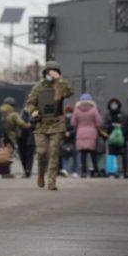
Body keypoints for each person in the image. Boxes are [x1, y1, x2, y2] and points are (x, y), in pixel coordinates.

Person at [24, 60, 73, 190]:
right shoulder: (38, 87)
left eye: (54, 71)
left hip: (57, 124)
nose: (51, 74)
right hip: (41, 124)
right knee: (42, 152)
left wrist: (60, 79)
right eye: (49, 71)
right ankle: (41, 174)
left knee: (53, 152)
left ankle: (51, 182)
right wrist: (33, 112)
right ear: (45, 72)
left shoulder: (60, 85)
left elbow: (69, 92)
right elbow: (29, 103)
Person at [72, 93, 102, 178]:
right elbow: (99, 122)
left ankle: (83, 172)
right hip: (92, 133)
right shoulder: (93, 110)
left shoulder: (77, 110)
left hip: (80, 132)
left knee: (83, 154)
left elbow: (73, 122)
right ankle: (96, 171)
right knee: (93, 154)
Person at [103, 98, 128, 178]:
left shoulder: (122, 114)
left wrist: (121, 126)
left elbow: (126, 124)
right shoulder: (107, 115)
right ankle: (112, 172)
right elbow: (104, 125)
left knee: (124, 155)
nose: (114, 106)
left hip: (121, 138)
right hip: (111, 138)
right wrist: (111, 126)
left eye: (115, 104)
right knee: (111, 155)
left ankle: (125, 172)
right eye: (112, 104)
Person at [17, 108, 37, 178]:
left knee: (29, 156)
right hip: (22, 139)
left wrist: (31, 125)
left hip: (30, 139)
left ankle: (28, 170)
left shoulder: (35, 113)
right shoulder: (21, 115)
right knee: (24, 156)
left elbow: (37, 124)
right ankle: (26, 170)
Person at [60, 105, 78, 178]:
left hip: (70, 141)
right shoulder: (65, 120)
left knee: (69, 156)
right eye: (68, 112)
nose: (68, 113)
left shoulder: (72, 119)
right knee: (69, 156)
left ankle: (69, 170)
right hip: (69, 141)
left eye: (69, 112)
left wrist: (68, 133)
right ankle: (69, 171)